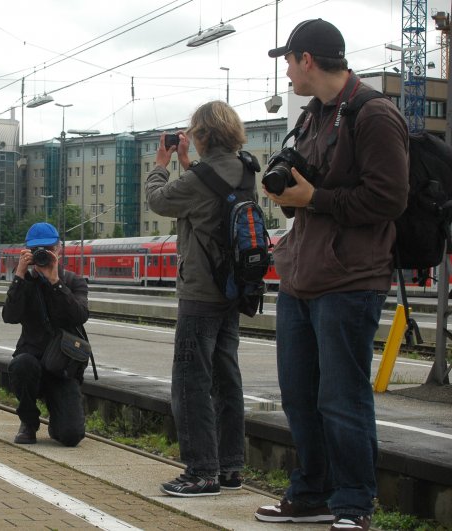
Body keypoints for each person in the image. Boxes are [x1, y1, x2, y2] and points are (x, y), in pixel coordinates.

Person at [254, 19, 409, 531]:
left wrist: (314, 197)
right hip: (303, 274)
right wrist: (293, 194)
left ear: (306, 60)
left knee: (341, 398)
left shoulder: (374, 114)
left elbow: (389, 199)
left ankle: (353, 504)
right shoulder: (316, 115)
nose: (286, 73)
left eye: (288, 61)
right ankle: (311, 494)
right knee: (300, 394)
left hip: (349, 281)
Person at [145, 100, 248, 497]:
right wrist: (189, 162)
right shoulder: (245, 170)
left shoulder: (202, 177)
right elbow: (212, 198)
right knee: (227, 379)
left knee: (190, 382)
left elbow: (159, 200)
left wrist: (161, 162)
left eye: (194, 132)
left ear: (203, 135)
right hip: (233, 291)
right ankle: (230, 468)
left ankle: (201, 473)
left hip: (201, 292)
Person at [1, 222, 89, 447]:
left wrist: (55, 283)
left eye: (47, 249)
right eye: (35, 250)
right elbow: (9, 316)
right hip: (32, 361)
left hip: (62, 367)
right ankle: (29, 422)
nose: (41, 254)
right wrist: (19, 275)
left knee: (71, 437)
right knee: (21, 365)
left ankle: (58, 414)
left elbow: (79, 315)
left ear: (58, 249)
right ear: (27, 252)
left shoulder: (72, 281)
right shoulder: (25, 282)